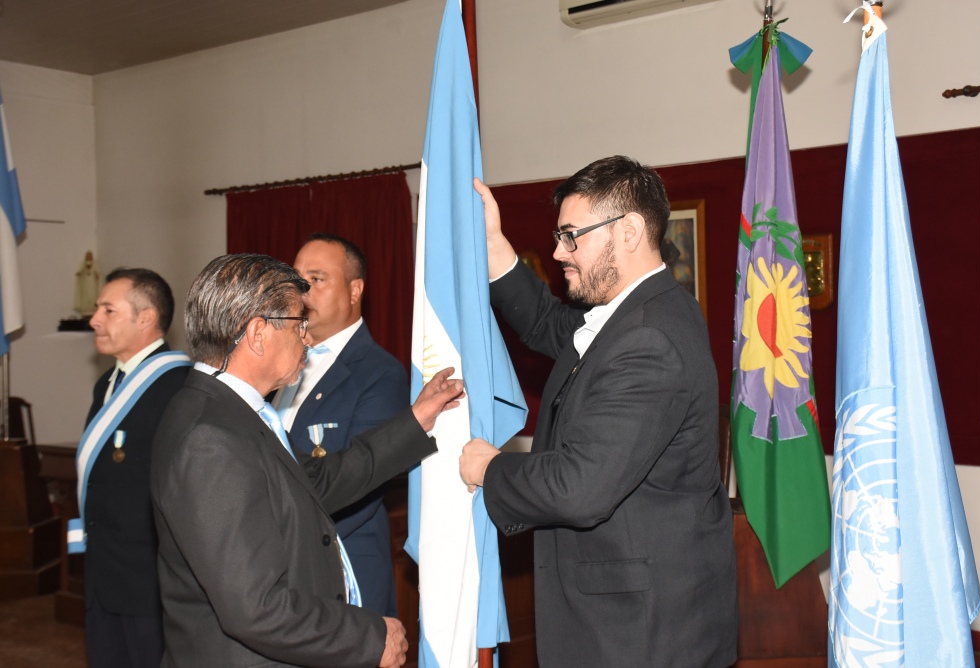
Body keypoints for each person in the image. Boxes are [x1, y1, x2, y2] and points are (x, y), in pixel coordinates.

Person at [459, 156, 738, 667]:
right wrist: (494, 245)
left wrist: (489, 468)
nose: (558, 251)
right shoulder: (640, 313)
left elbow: (578, 488)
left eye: (572, 236)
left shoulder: (648, 337)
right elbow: (546, 323)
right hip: (629, 628)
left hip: (642, 638)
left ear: (628, 232)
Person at [150, 254, 463, 668]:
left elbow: (312, 483)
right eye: (300, 323)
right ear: (258, 333)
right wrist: (369, 637)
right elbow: (257, 607)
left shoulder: (230, 413)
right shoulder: (211, 438)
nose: (309, 339)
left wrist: (415, 421)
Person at [272, 234, 408, 617]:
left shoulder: (379, 373)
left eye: (316, 279)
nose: (301, 291)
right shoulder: (273, 365)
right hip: (276, 569)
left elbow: (359, 485)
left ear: (354, 290)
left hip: (339, 572)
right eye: (295, 280)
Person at [77, 268, 191, 668]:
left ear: (145, 318)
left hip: (149, 586)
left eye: (108, 309)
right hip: (102, 577)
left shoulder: (180, 387)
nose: (95, 319)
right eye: (97, 309)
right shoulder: (106, 383)